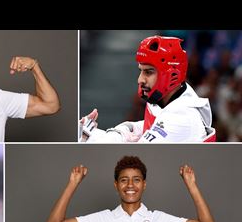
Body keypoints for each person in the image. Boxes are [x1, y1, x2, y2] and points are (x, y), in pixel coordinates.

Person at [46, 156, 215, 222]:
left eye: (136, 180)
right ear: (116, 185)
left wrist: (191, 185)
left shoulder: (158, 219)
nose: (130, 185)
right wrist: (73, 183)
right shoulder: (102, 219)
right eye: (124, 180)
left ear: (144, 184)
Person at [80, 35, 216, 143]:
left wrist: (88, 136)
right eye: (141, 71)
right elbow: (146, 127)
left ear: (171, 75)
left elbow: (130, 162)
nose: (140, 80)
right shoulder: (170, 96)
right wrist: (118, 132)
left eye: (148, 72)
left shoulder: (181, 119)